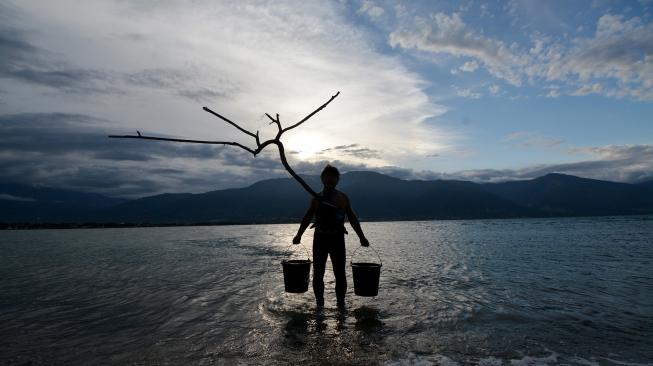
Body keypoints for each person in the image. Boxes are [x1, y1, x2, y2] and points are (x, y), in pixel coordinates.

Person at [293, 164, 369, 308]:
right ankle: (319, 305)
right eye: (327, 177)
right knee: (318, 273)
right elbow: (307, 217)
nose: (330, 180)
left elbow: (352, 218)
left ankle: (341, 305)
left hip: (337, 239)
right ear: (322, 179)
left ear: (337, 180)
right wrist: (298, 235)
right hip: (320, 238)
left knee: (340, 273)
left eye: (333, 177)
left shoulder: (343, 198)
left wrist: (362, 237)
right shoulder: (316, 198)